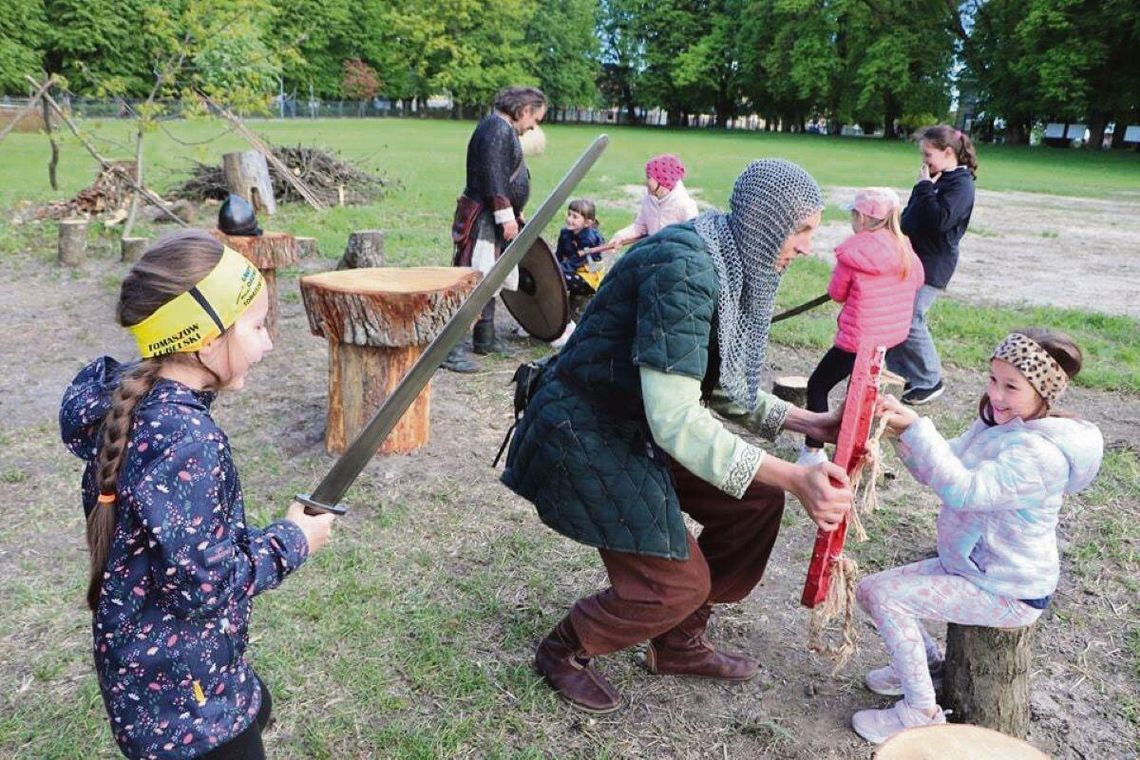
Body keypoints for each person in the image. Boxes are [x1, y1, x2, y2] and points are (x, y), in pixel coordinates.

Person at [501, 159, 854, 714]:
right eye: (803, 230)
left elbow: (718, 386)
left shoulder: (723, 253)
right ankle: (564, 651)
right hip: (587, 427)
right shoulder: (684, 269)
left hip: (635, 420)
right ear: (767, 222)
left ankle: (677, 641)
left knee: (755, 500)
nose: (809, 246)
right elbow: (677, 420)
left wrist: (809, 423)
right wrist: (793, 475)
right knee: (676, 583)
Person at [59, 230, 336, 759]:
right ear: (205, 339)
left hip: (149, 669)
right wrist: (293, 540)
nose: (268, 343)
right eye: (257, 327)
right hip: (180, 702)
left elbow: (184, 547)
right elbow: (205, 588)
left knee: (258, 706)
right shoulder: (187, 444)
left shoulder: (130, 401)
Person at [851, 329, 1103, 744]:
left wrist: (916, 429)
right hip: (973, 568)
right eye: (992, 380)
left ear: (1044, 392)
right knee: (870, 589)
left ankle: (921, 713)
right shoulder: (999, 423)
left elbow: (965, 492)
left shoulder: (1039, 456)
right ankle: (926, 667)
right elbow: (944, 462)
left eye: (1011, 386)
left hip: (1009, 589)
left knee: (886, 597)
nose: (997, 395)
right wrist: (900, 434)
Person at [797, 187, 924, 466]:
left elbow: (837, 293)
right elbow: (915, 282)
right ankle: (859, 448)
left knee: (818, 385)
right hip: (887, 338)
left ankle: (813, 452)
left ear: (864, 218)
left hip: (857, 339)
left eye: (854, 214)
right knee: (863, 393)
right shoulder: (904, 247)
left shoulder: (853, 251)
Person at [443, 85, 547, 373]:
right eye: (534, 119)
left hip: (493, 217)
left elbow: (504, 174)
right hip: (483, 217)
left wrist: (514, 210)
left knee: (490, 277)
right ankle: (449, 350)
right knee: (472, 280)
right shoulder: (496, 129)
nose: (532, 126)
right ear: (523, 110)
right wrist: (506, 216)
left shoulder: (501, 128)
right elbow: (493, 179)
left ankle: (484, 338)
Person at [887, 125, 978, 405]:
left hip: (933, 264)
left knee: (912, 317)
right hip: (911, 257)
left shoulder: (961, 184)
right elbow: (915, 212)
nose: (923, 160)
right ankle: (901, 375)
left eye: (928, 154)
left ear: (948, 152)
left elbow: (941, 221)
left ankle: (930, 380)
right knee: (895, 315)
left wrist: (926, 187)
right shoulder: (935, 177)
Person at [601, 154, 699, 252]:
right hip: (653, 253)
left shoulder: (684, 205)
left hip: (675, 256)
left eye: (649, 177)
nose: (646, 181)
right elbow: (639, 226)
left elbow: (693, 238)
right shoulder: (649, 200)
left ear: (662, 180)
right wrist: (620, 236)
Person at [550, 199, 606, 349]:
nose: (569, 219)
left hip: (588, 276)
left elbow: (580, 262)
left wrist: (557, 269)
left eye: (575, 217)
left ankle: (567, 326)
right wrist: (553, 265)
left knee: (558, 282)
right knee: (551, 278)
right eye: (569, 214)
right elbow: (559, 255)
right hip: (571, 269)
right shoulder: (565, 233)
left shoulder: (589, 239)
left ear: (587, 223)